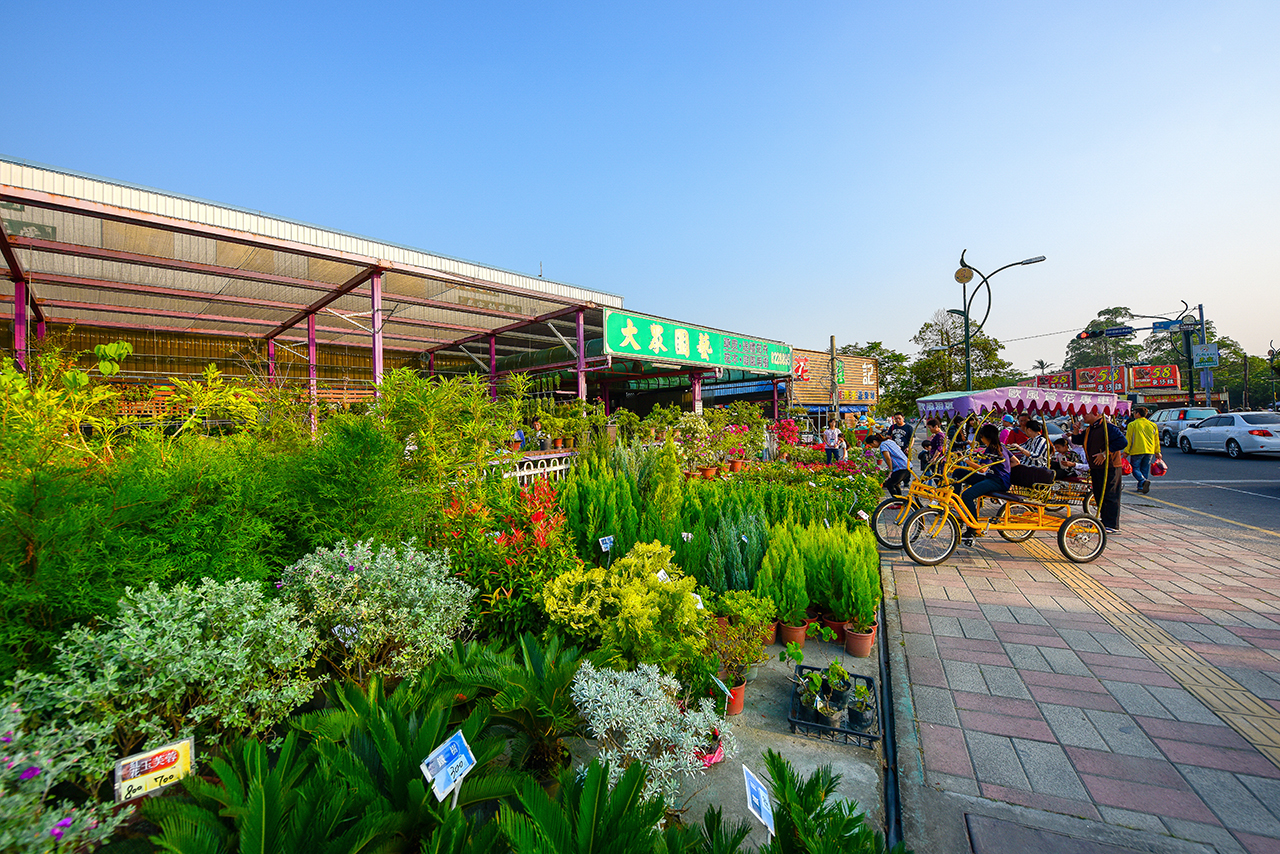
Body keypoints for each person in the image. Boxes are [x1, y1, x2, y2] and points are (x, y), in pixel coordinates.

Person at [1072, 411, 1128, 533]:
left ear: (1096, 414)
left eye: (1086, 414)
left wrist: (1104, 454)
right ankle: (1104, 520)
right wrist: (1075, 430)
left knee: (1110, 494)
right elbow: (1077, 440)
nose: (1083, 416)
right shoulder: (1090, 429)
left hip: (1110, 466)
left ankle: (1112, 525)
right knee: (1098, 494)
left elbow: (1122, 442)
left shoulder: (1108, 427)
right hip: (1096, 467)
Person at [958, 423, 1013, 545]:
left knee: (967, 495)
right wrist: (1005, 469)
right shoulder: (1001, 447)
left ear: (984, 437)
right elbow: (1016, 461)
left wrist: (965, 460)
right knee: (958, 472)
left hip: (998, 481)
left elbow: (982, 469)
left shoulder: (992, 449)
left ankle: (973, 526)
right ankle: (955, 500)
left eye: (981, 437)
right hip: (991, 478)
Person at [1125, 407, 1159, 495]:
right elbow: (1156, 439)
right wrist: (1157, 451)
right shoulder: (1152, 425)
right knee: (1145, 468)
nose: (1133, 414)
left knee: (1134, 468)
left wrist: (1126, 451)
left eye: (1134, 412)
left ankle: (1142, 481)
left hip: (1137, 449)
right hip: (1150, 450)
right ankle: (1141, 487)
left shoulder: (1132, 424)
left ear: (1138, 414)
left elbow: (1129, 439)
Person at [867, 432, 911, 497]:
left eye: (871, 444)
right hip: (907, 465)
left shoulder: (882, 446)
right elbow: (899, 448)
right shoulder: (889, 441)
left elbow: (888, 458)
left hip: (901, 467)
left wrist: (890, 470)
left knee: (889, 484)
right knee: (895, 483)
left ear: (874, 441)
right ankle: (899, 500)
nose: (872, 446)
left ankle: (896, 501)